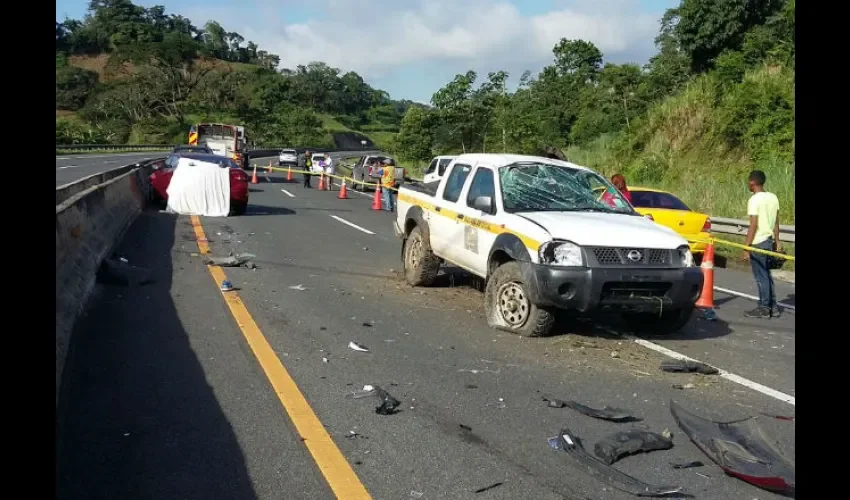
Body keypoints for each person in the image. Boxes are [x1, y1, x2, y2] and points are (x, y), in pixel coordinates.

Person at [742, 170, 781, 318]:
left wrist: (746, 247)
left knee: (761, 276)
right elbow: (776, 222)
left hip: (758, 242)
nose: (748, 184)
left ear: (752, 183)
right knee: (767, 275)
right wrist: (777, 241)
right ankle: (774, 307)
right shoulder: (773, 197)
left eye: (748, 182)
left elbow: (753, 225)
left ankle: (764, 308)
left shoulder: (754, 200)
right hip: (769, 241)